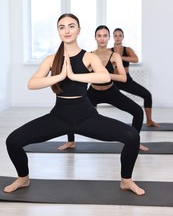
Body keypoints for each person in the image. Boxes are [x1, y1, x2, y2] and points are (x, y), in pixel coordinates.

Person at [4, 14, 145, 196]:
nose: (67, 30)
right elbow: (32, 84)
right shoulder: (51, 59)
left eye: (71, 26)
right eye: (62, 27)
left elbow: (103, 76)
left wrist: (74, 76)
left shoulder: (88, 57)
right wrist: (60, 76)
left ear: (79, 30)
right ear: (58, 31)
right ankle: (23, 177)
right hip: (59, 116)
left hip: (86, 116)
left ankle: (126, 180)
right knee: (12, 141)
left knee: (132, 136)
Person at [58, 25, 148, 152]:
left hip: (111, 91)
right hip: (93, 92)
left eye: (105, 35)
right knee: (71, 110)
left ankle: (136, 142)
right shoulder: (89, 55)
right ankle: (71, 141)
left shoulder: (114, 56)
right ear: (95, 37)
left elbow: (123, 78)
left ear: (109, 38)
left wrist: (104, 75)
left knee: (138, 112)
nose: (102, 38)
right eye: (99, 35)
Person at [111, 28, 159, 127]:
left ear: (123, 37)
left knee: (147, 95)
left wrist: (120, 58)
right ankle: (93, 121)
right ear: (113, 37)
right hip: (114, 80)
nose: (118, 38)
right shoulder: (109, 50)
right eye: (116, 35)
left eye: (120, 35)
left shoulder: (127, 49)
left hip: (126, 80)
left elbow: (135, 59)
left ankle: (149, 120)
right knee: (93, 97)